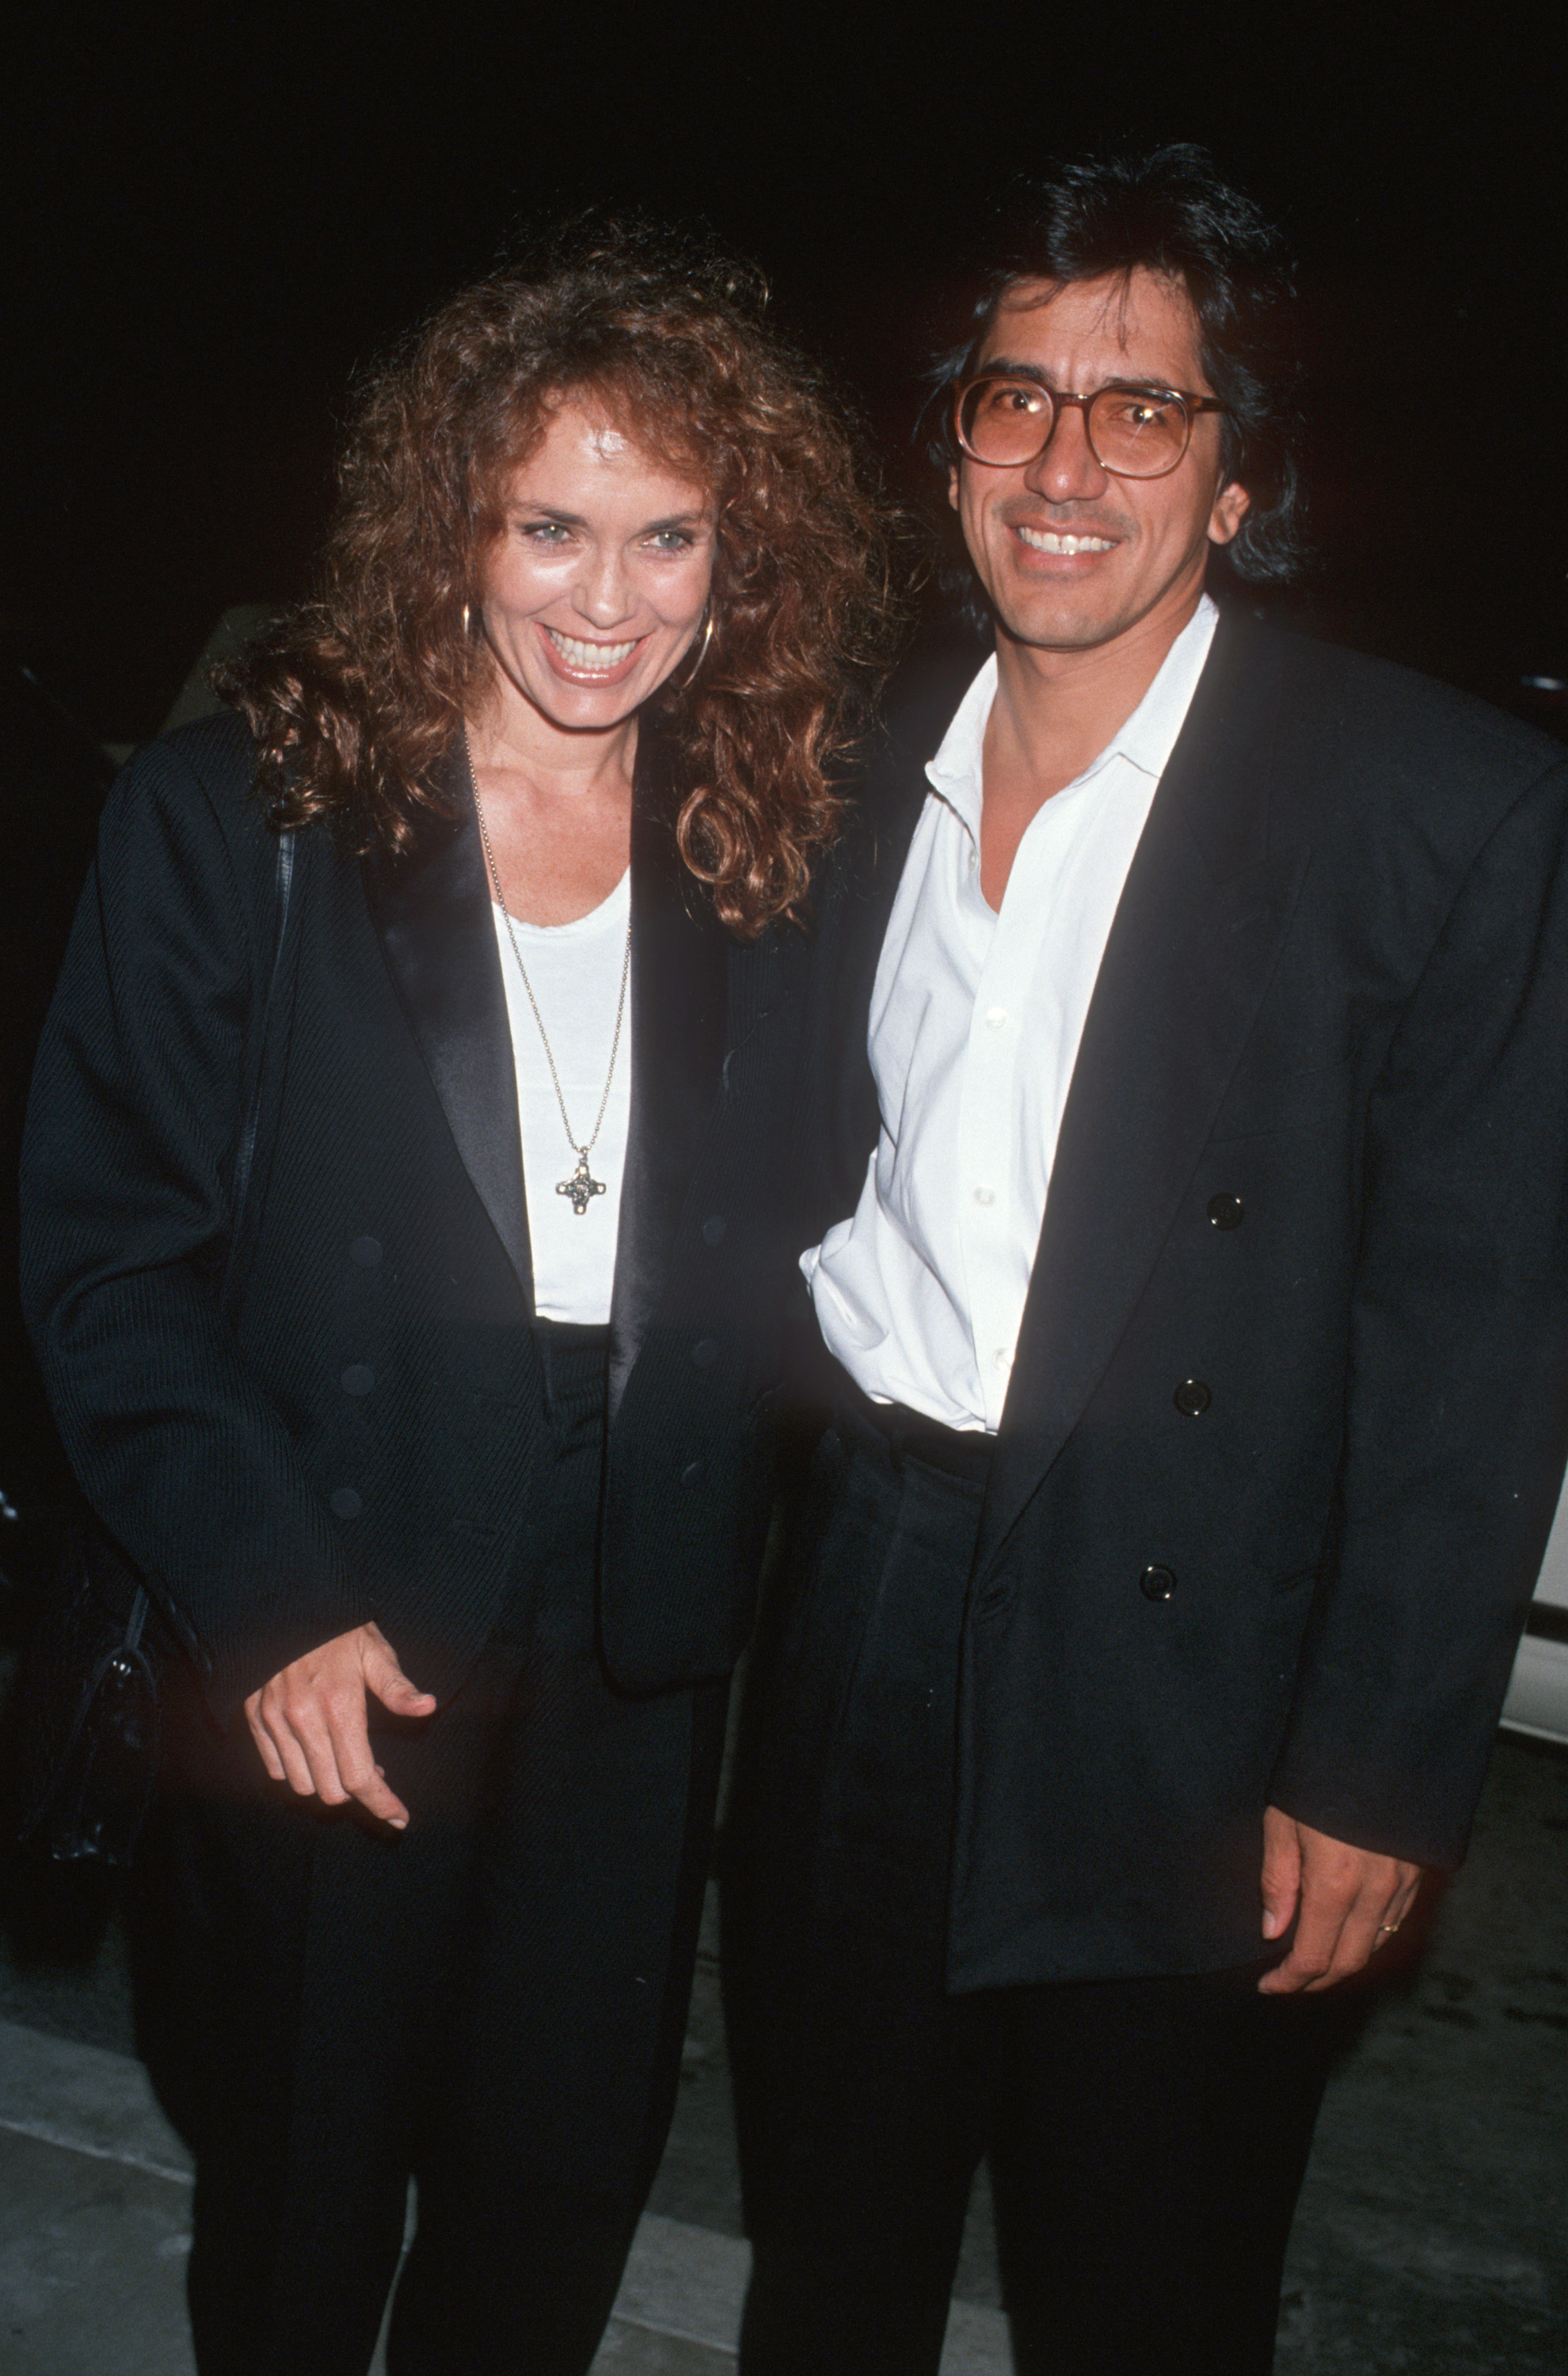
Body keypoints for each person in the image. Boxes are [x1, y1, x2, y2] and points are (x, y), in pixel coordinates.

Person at [723, 147, 1568, 2375]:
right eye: (1012, 399)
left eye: (1140, 409)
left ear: (1233, 474)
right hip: (872, 1607)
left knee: (1143, 2283)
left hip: (1195, 1662)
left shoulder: (1431, 811)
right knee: (830, 2250)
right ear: (949, 445)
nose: (1063, 463)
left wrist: (1382, 1766)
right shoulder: (843, 756)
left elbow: (1473, 1332)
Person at [19, 226, 892, 2376]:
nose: (609, 599)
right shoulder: (248, 815)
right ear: (452, 528)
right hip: (341, 1596)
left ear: (737, 550)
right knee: (300, 2191)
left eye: (669, 534)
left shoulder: (767, 835)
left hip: (640, 1626)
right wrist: (266, 1595)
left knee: (553, 2197)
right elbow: (105, 1254)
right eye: (553, 528)